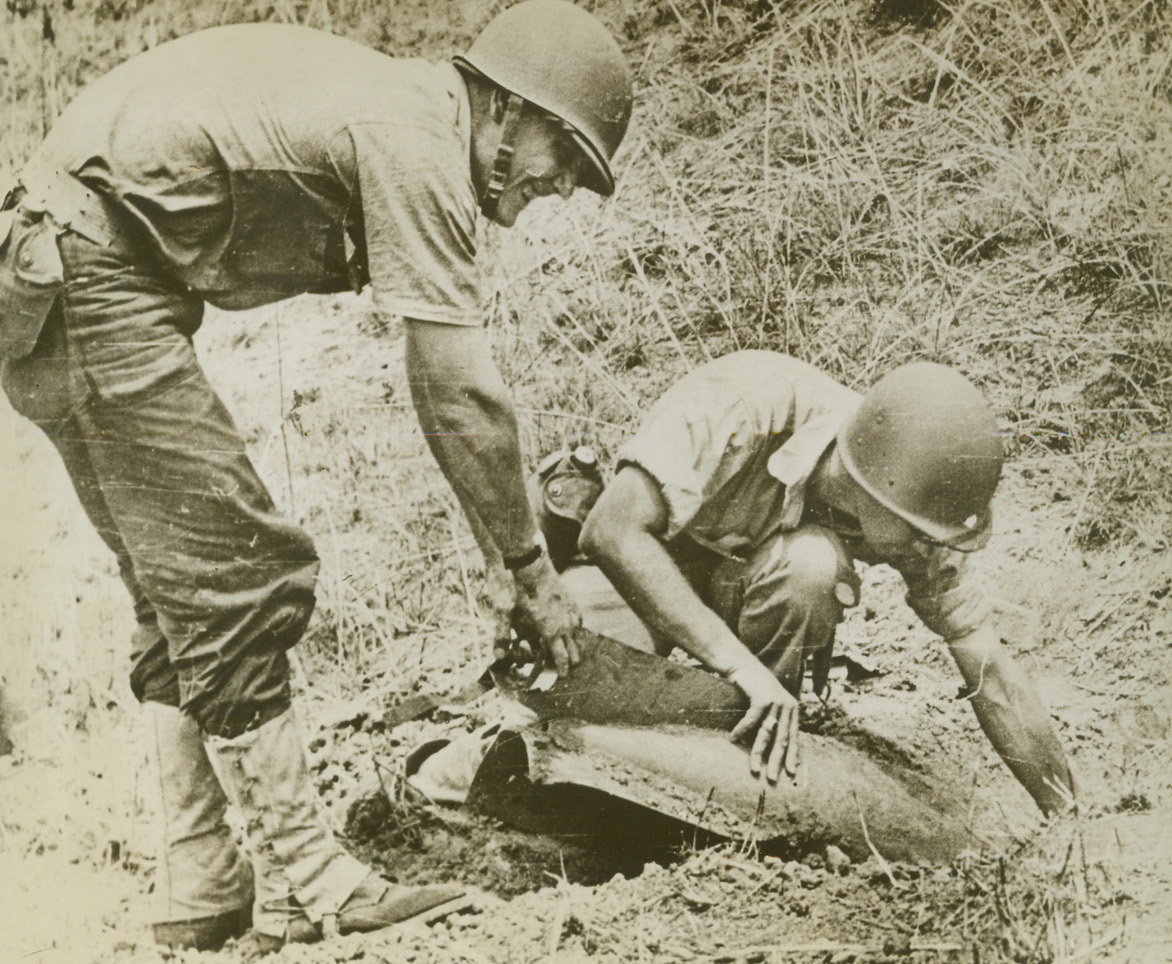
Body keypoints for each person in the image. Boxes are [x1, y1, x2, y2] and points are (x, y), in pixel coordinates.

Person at [0, 0, 632, 952]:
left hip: (63, 264)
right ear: (506, 112)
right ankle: (318, 885)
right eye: (565, 159)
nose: (562, 189)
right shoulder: (420, 144)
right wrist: (529, 569)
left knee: (179, 592)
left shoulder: (411, 116)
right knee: (241, 577)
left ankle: (204, 881)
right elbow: (460, 395)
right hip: (91, 273)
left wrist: (508, 563)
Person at [569, 351, 1075, 817]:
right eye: (919, 534)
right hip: (639, 569)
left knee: (810, 567)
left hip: (739, 584)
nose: (926, 549)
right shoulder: (746, 403)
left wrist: (1067, 813)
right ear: (874, 491)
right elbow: (611, 531)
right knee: (574, 684)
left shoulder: (913, 505)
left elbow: (991, 673)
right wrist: (737, 663)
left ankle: (751, 745)